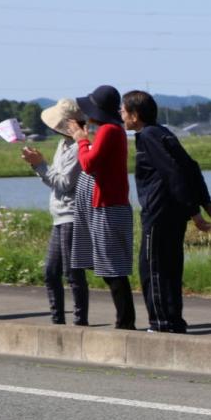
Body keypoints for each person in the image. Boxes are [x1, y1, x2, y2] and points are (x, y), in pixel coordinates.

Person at [121, 90, 211, 334]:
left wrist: (196, 212)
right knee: (169, 268)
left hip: (159, 213)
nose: (121, 114)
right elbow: (191, 167)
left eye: (124, 111)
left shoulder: (147, 135)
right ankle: (174, 322)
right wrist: (205, 203)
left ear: (135, 115)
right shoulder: (162, 132)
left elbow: (173, 172)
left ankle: (161, 324)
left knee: (152, 269)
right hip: (173, 213)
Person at [68, 85, 136, 330]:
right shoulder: (111, 130)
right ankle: (124, 320)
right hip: (106, 205)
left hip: (108, 206)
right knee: (109, 267)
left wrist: (81, 139)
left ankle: (125, 322)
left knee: (113, 268)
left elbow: (87, 163)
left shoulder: (108, 131)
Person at [21, 98, 89, 326]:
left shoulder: (80, 147)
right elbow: (55, 179)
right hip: (59, 215)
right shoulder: (64, 145)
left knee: (73, 273)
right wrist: (38, 164)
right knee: (51, 272)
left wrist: (40, 165)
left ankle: (80, 322)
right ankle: (57, 320)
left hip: (71, 215)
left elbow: (63, 183)